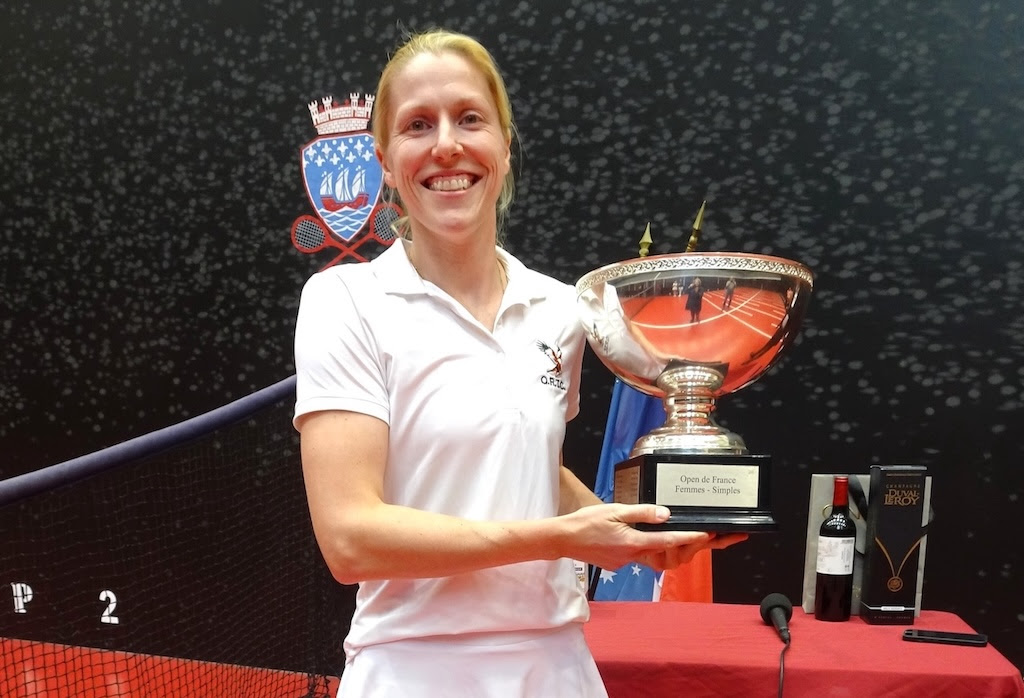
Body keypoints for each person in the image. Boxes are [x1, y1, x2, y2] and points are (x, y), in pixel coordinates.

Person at [293, 29, 746, 698]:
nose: (446, 144)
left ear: (504, 147)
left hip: (556, 665)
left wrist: (634, 534)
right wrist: (561, 537)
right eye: (418, 125)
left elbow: (526, 465)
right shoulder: (344, 300)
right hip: (411, 665)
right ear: (385, 161)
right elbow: (350, 538)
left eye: (469, 118)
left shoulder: (561, 309)